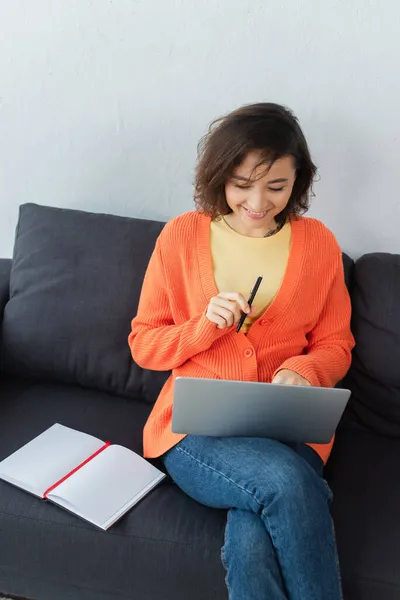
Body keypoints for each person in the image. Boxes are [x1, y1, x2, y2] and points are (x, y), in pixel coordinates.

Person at [129, 102, 355, 600]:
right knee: (288, 485)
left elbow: (337, 343)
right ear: (218, 176)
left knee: (252, 544)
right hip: (195, 432)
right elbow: (144, 343)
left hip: (288, 429)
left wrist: (304, 369)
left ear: (299, 181)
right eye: (241, 184)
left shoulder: (319, 244)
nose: (258, 202)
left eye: (276, 187)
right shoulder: (181, 236)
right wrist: (202, 328)